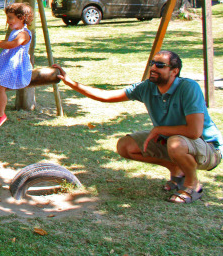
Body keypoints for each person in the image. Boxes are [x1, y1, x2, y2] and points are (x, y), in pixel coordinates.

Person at [53, 51, 222, 204]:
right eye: (152, 64)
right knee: (125, 146)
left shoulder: (188, 88)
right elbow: (106, 96)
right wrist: (70, 82)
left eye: (160, 65)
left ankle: (193, 185)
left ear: (174, 71)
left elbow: (194, 132)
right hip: (173, 141)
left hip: (207, 148)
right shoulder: (147, 87)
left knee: (175, 144)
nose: (153, 68)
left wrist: (158, 130)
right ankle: (175, 168)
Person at [0, 2, 34, 128]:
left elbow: (12, 44)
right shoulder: (16, 30)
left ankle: (0, 115)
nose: (8, 21)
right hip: (9, 63)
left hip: (16, 66)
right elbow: (8, 43)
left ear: (22, 18)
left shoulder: (24, 33)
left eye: (11, 18)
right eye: (7, 18)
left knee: (0, 87)